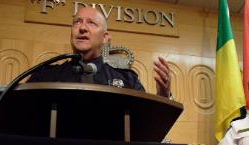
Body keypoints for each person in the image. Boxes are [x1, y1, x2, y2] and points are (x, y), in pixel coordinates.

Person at [28, 7, 172, 98]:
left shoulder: (127, 79)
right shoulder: (45, 75)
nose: (82, 27)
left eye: (91, 23)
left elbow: (146, 122)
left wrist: (163, 96)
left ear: (105, 38)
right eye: (77, 22)